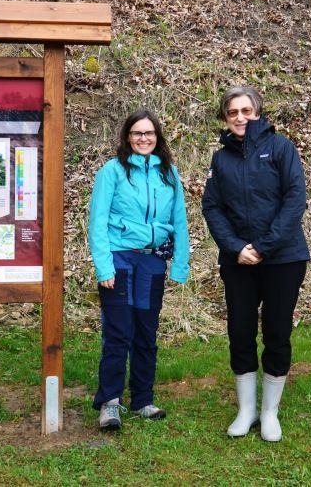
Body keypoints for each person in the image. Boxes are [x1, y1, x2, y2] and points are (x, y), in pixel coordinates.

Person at [201, 86, 309, 442]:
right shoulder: (221, 159)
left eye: (246, 110)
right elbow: (212, 209)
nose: (239, 117)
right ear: (226, 117)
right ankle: (246, 410)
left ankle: (269, 413)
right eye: (233, 112)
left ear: (258, 113)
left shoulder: (282, 149)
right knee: (240, 332)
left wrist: (262, 247)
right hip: (238, 262)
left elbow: (294, 200)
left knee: (277, 332)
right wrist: (236, 248)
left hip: (283, 258)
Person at [88, 109, 190, 431]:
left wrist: (180, 266)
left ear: (157, 137)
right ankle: (110, 402)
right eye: (137, 133)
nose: (143, 138)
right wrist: (103, 266)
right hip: (119, 260)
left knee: (146, 333)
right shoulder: (111, 172)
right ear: (127, 137)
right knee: (118, 333)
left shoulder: (169, 174)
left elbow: (180, 222)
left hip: (152, 263)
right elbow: (97, 223)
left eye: (149, 133)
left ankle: (143, 399)